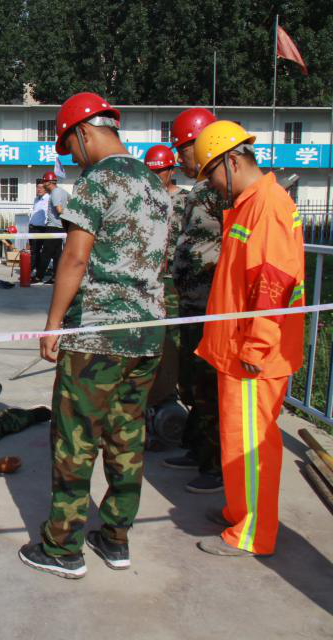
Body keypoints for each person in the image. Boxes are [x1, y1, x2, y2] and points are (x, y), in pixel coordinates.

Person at [20, 92, 171, 580]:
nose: (71, 158)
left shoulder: (96, 181)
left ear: (84, 132)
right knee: (127, 436)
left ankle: (62, 547)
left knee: (75, 439)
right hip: (146, 335)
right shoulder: (155, 184)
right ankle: (115, 537)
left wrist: (53, 323)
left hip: (97, 336)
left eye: (70, 147)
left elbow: (76, 256)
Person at [192, 121, 305, 557]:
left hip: (253, 354)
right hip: (239, 350)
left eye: (211, 174)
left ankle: (253, 533)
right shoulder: (251, 204)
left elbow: (272, 282)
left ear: (231, 161)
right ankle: (240, 511)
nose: (212, 185)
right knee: (237, 440)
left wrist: (256, 347)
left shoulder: (267, 205)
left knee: (252, 445)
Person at [165, 107, 228, 495]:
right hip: (191, 304)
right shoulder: (199, 193)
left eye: (183, 150)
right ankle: (197, 447)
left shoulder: (223, 190)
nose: (180, 159)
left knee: (210, 386)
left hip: (212, 307)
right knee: (192, 383)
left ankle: (216, 465)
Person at [143, 144, 188, 415]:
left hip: (174, 279)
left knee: (173, 338)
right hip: (149, 278)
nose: (155, 177)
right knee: (152, 335)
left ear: (171, 170)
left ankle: (172, 389)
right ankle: (156, 391)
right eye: (150, 172)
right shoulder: (143, 200)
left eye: (159, 172)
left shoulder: (186, 201)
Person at [37, 172, 68, 284]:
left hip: (53, 227)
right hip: (60, 227)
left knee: (46, 254)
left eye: (44, 182)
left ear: (49, 182)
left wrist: (67, 217)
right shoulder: (62, 191)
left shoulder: (54, 193)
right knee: (57, 255)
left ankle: (38, 276)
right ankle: (55, 277)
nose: (42, 184)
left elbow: (59, 210)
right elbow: (72, 200)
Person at [28, 178, 50, 275]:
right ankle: (35, 269)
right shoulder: (36, 199)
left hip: (41, 228)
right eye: (37, 187)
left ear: (45, 189)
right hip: (32, 227)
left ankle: (34, 270)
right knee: (33, 250)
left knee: (38, 250)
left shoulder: (48, 198)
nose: (39, 189)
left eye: (41, 187)